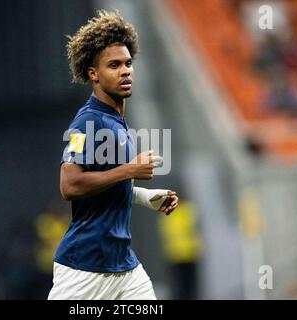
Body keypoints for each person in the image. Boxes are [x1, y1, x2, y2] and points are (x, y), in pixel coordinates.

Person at [48, 10, 179, 300]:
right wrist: (130, 170)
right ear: (93, 73)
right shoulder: (87, 122)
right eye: (114, 65)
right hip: (85, 267)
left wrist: (145, 197)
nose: (125, 71)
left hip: (125, 268)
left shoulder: (117, 122)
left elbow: (108, 185)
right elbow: (69, 186)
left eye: (128, 63)